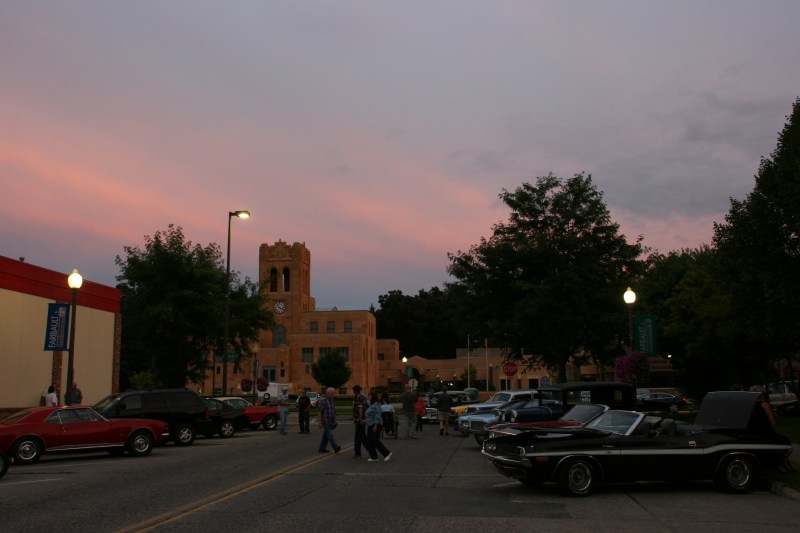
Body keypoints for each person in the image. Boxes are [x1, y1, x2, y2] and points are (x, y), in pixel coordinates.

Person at [365, 391, 392, 462]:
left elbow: (377, 415)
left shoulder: (376, 404)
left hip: (376, 424)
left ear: (372, 396)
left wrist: (376, 425)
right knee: (369, 441)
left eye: (369, 396)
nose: (368, 397)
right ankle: (374, 457)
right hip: (370, 424)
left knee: (375, 440)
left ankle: (386, 453)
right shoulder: (371, 404)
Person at [317, 387, 341, 454]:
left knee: (326, 435)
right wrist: (320, 422)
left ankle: (322, 448)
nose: (333, 395)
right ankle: (335, 447)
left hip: (331, 421)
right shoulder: (323, 401)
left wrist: (335, 421)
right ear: (327, 393)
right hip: (325, 421)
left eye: (333, 393)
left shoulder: (332, 400)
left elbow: (333, 411)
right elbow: (319, 412)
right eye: (331, 393)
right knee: (329, 435)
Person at [351, 385, 370, 459]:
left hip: (360, 420)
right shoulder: (362, 397)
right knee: (362, 437)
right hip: (360, 419)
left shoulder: (358, 397)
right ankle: (368, 450)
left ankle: (358, 453)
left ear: (354, 391)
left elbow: (360, 408)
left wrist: (360, 418)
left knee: (359, 437)